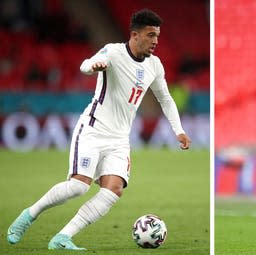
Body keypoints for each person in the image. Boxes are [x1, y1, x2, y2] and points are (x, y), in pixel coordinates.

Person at [6, 9, 191, 250]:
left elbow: (165, 99)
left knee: (114, 189)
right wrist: (95, 66)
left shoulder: (155, 65)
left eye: (157, 35)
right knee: (78, 186)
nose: (156, 41)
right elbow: (85, 65)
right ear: (135, 35)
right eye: (151, 35)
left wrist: (179, 130)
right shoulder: (113, 52)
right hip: (93, 130)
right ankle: (29, 215)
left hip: (119, 139)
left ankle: (63, 237)